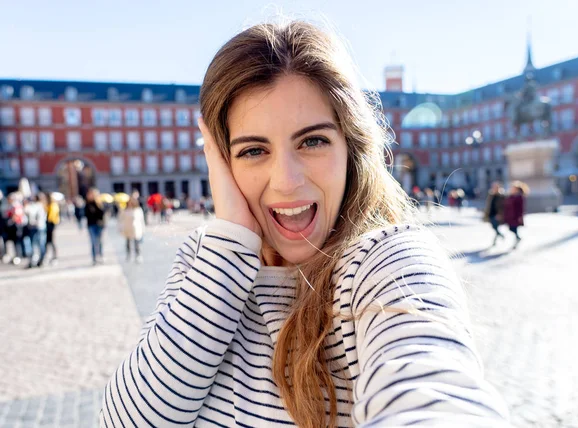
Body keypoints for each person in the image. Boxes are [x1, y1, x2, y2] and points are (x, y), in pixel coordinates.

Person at [101, 21, 510, 427]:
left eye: (312, 141)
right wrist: (230, 245)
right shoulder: (205, 259)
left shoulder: (386, 264)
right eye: (254, 150)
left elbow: (437, 398)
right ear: (222, 163)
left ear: (351, 146)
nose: (286, 180)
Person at [118, 198, 145, 263]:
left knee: (137, 243)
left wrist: (143, 229)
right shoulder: (125, 210)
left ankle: (138, 255)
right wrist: (120, 228)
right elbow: (120, 219)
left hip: (136, 228)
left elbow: (142, 220)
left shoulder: (138, 210)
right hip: (127, 228)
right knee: (128, 242)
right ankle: (128, 255)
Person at [24, 193, 47, 268]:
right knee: (40, 244)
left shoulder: (37, 206)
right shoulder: (41, 205)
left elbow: (31, 214)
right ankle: (41, 259)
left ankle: (39, 259)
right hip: (40, 227)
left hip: (37, 227)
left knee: (36, 244)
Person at [504, 181, 529, 248]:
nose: (512, 189)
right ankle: (517, 238)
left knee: (513, 228)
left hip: (515, 215)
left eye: (513, 188)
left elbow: (521, 208)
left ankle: (517, 238)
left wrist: (520, 216)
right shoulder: (511, 196)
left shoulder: (519, 197)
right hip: (509, 215)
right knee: (511, 228)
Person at [84, 188, 105, 265]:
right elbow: (87, 214)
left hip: (99, 225)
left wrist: (97, 203)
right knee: (93, 241)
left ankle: (100, 255)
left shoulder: (99, 203)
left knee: (99, 241)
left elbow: (102, 214)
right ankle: (94, 258)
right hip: (91, 225)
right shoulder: (87, 203)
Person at [484, 181, 506, 246]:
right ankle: (499, 236)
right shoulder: (491, 195)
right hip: (491, 213)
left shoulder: (501, 196)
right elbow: (489, 205)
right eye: (493, 187)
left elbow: (503, 206)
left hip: (497, 215)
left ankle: (495, 240)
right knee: (494, 227)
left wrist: (500, 214)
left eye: (496, 187)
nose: (494, 188)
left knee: (495, 227)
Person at [41, 192, 60, 265]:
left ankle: (54, 257)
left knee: (51, 241)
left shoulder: (53, 205)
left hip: (51, 225)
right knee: (47, 242)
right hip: (47, 225)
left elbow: (51, 217)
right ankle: (47, 256)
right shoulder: (47, 205)